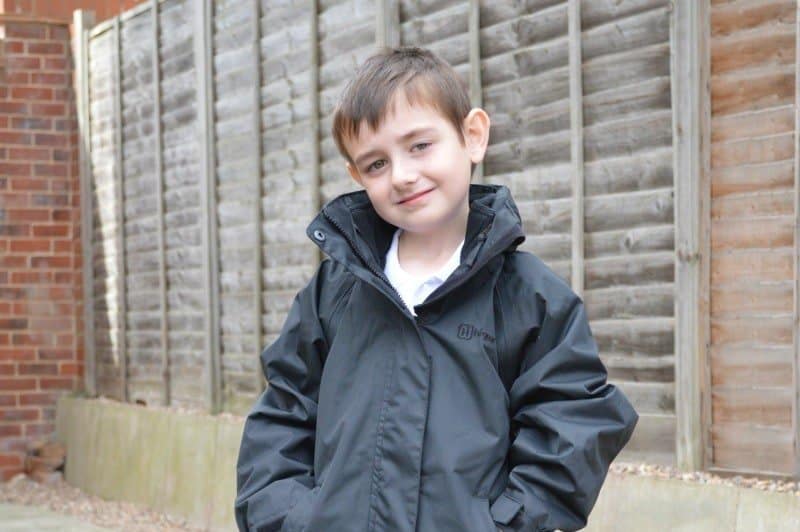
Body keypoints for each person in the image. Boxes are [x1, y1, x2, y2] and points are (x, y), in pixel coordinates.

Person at [234, 46, 638, 532]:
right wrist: (293, 520)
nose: (402, 175)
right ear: (357, 177)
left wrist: (508, 524)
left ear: (472, 136)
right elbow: (283, 414)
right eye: (376, 164)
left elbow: (573, 424)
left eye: (420, 146)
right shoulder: (332, 294)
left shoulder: (527, 297)